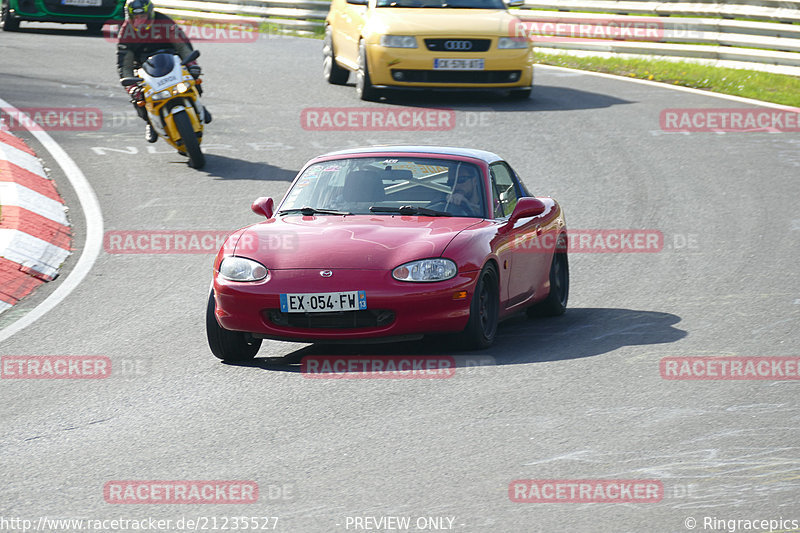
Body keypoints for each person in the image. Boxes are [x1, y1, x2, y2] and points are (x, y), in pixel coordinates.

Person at [116, 0, 211, 143]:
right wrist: (131, 87)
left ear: (150, 14)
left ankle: (197, 103)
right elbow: (125, 64)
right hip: (143, 66)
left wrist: (192, 64)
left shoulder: (164, 21)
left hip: (171, 58)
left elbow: (182, 45)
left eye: (142, 16)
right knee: (138, 96)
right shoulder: (125, 32)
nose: (139, 21)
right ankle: (150, 121)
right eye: (135, 18)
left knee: (192, 75)